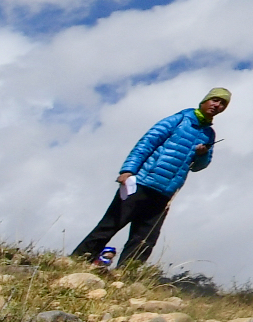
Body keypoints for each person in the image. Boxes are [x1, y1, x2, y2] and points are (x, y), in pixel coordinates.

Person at [71, 87, 231, 269]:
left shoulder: (209, 135)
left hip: (166, 192)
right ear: (204, 101)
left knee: (145, 238)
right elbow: (147, 142)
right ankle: (77, 260)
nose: (217, 105)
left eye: (222, 104)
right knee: (111, 224)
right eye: (215, 100)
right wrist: (128, 170)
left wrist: (202, 154)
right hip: (141, 182)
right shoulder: (179, 119)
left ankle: (126, 275)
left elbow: (200, 167)